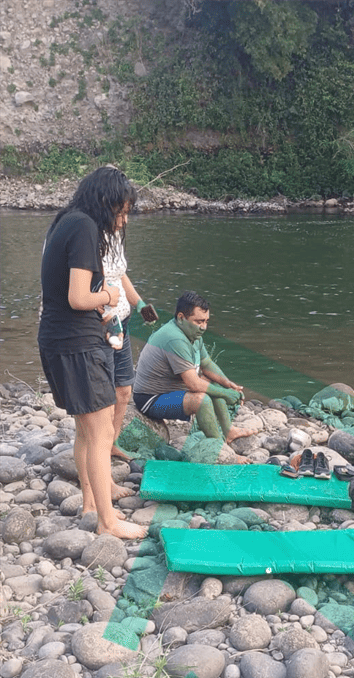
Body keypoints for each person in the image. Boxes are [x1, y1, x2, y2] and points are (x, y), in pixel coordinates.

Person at [38, 166, 146, 539]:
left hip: (59, 339)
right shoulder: (85, 227)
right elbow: (78, 297)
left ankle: (92, 502)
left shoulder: (66, 220)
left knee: (87, 428)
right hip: (76, 344)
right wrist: (109, 297)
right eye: (122, 211)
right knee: (100, 432)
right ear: (106, 202)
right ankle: (108, 521)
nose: (124, 219)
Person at [132, 291, 257, 450]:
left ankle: (228, 431)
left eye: (206, 321)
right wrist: (226, 394)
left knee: (215, 384)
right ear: (181, 317)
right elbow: (192, 384)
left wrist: (228, 384)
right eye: (198, 321)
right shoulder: (174, 338)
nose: (203, 327)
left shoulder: (192, 333)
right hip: (150, 399)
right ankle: (217, 448)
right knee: (201, 400)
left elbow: (207, 364)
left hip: (171, 391)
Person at [99, 222, 158, 461]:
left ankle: (113, 442)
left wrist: (140, 303)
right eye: (121, 213)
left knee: (123, 388)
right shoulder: (87, 236)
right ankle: (98, 448)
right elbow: (89, 283)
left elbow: (119, 275)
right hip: (104, 324)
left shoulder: (114, 237)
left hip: (124, 319)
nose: (124, 221)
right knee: (103, 392)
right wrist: (107, 316)